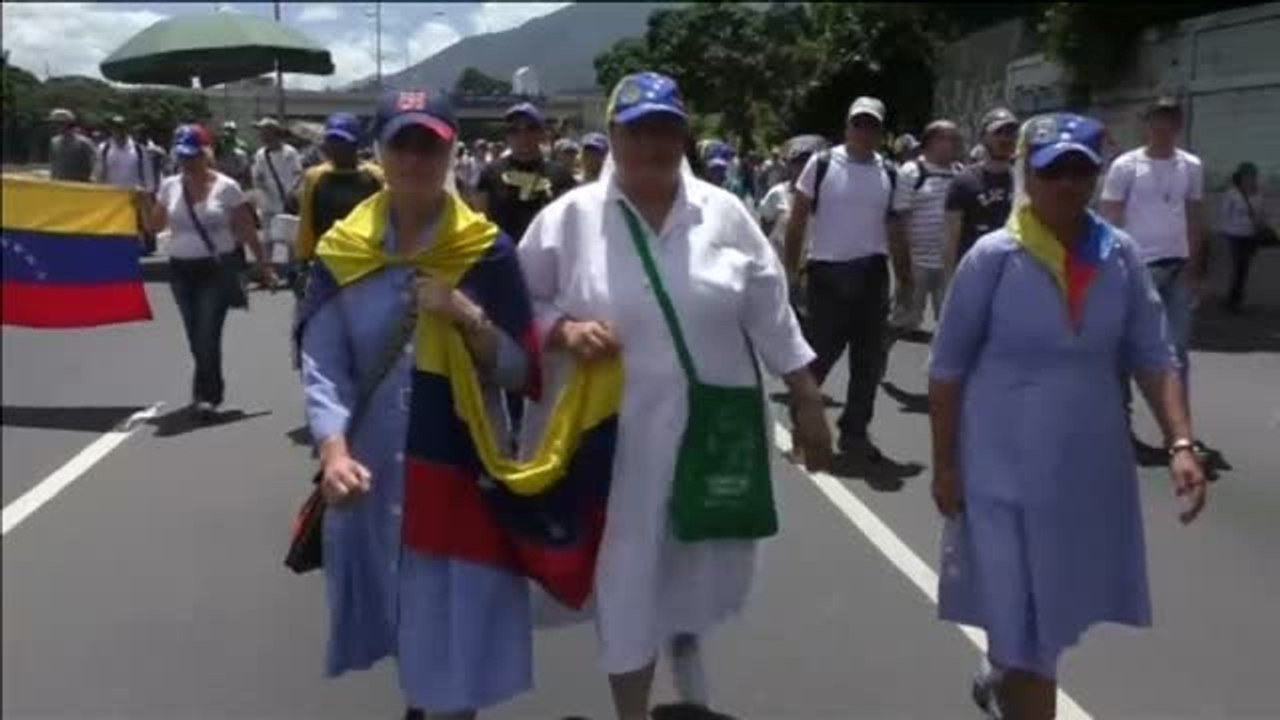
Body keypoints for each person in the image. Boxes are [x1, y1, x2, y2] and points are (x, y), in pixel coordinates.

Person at [519, 71, 832, 720]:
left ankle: (681, 633)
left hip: (707, 436)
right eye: (639, 131)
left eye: (666, 129)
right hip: (609, 445)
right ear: (612, 137)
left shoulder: (724, 213)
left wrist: (806, 397)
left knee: (697, 562)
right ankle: (631, 707)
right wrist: (565, 328)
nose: (654, 144)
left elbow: (770, 308)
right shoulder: (568, 221)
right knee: (624, 577)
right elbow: (517, 306)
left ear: (685, 135)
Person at [929, 112, 1208, 720]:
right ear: (1031, 174)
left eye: (1082, 170)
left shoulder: (1121, 256)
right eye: (1054, 171)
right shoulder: (993, 258)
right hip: (1000, 472)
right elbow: (946, 370)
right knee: (1032, 633)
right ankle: (1014, 672)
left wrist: (1181, 442)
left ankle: (1002, 668)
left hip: (1084, 470)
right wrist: (945, 466)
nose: (1068, 185)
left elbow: (1153, 354)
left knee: (1049, 613)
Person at [298, 88, 541, 720]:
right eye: (401, 143)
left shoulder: (487, 253)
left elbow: (519, 369)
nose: (414, 159)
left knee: (458, 617)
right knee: (406, 607)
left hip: (462, 468)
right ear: (380, 152)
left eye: (428, 144)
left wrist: (465, 313)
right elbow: (324, 364)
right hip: (376, 471)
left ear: (451, 150)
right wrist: (333, 449)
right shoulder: (342, 252)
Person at [784, 96, 908, 462]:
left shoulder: (889, 173)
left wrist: (905, 276)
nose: (864, 131)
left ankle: (854, 431)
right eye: (858, 123)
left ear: (881, 132)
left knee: (869, 361)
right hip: (828, 274)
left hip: (872, 274)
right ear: (847, 126)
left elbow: (896, 226)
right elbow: (798, 219)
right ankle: (803, 424)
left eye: (872, 125)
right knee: (819, 357)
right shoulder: (822, 165)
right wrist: (790, 270)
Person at [148, 125, 276, 420]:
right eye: (182, 156)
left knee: (207, 333)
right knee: (194, 334)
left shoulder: (226, 187)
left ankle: (208, 396)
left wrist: (264, 265)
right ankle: (205, 387)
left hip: (214, 271)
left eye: (193, 156)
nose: (187, 162)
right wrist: (146, 202)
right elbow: (155, 227)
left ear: (206, 155)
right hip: (180, 270)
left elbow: (246, 229)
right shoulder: (169, 186)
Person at [1100, 97, 1205, 405]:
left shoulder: (1191, 165)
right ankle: (1121, 416)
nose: (1163, 127)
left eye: (1170, 120)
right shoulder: (1126, 166)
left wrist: (1195, 269)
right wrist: (1108, 271)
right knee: (1126, 346)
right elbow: (1110, 220)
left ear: (1178, 126)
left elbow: (1194, 217)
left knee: (1177, 350)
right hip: (1137, 268)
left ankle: (1177, 432)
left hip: (1178, 268)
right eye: (1157, 119)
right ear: (1146, 124)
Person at [294, 112, 385, 291]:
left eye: (342, 141)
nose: (335, 147)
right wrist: (303, 260)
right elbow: (307, 219)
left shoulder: (376, 177)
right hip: (327, 261)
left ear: (355, 144)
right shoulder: (315, 176)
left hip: (367, 262)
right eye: (331, 141)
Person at [889, 119, 964, 335]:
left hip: (948, 262)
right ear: (930, 142)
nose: (952, 144)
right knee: (904, 323)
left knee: (950, 324)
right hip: (916, 261)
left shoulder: (961, 172)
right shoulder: (912, 171)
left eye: (955, 139)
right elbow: (900, 217)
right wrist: (902, 262)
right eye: (945, 138)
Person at [944, 108, 1019, 279]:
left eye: (1011, 132)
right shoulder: (963, 181)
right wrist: (950, 281)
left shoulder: (1027, 179)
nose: (1006, 138)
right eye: (998, 132)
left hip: (1014, 271)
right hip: (975, 272)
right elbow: (951, 238)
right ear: (983, 137)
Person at [252, 117, 305, 275]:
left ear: (272, 133)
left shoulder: (289, 152)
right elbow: (257, 176)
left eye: (263, 131)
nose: (260, 135)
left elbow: (298, 174)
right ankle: (268, 271)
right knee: (267, 239)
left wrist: (293, 193)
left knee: (290, 238)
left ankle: (292, 271)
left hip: (287, 202)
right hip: (268, 203)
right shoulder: (261, 154)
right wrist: (260, 186)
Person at [1218, 162, 1273, 313]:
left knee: (1243, 269)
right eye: (1248, 176)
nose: (1251, 179)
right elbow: (1225, 215)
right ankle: (1233, 300)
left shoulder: (1258, 195)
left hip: (1251, 236)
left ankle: (1236, 299)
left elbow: (1262, 214)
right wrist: (1225, 231)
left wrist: (1264, 225)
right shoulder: (1232, 194)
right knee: (1239, 267)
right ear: (1241, 177)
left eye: (1253, 176)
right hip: (1235, 236)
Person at [94, 115, 157, 192]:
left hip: (132, 197)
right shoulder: (103, 149)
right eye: (114, 127)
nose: (118, 130)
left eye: (121, 127)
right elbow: (97, 175)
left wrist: (147, 191)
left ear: (126, 129)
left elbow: (148, 177)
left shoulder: (139, 150)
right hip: (109, 196)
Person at [47, 108, 95, 182]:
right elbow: (53, 164)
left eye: (58, 123)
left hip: (79, 186)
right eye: (54, 123)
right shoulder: (54, 142)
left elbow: (94, 164)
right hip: (59, 185)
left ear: (68, 124)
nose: (54, 126)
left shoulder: (84, 143)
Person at [214, 120, 252, 188]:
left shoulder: (241, 145)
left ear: (235, 132)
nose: (228, 132)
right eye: (226, 130)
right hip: (225, 175)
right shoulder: (219, 145)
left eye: (231, 130)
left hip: (238, 176)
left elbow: (246, 164)